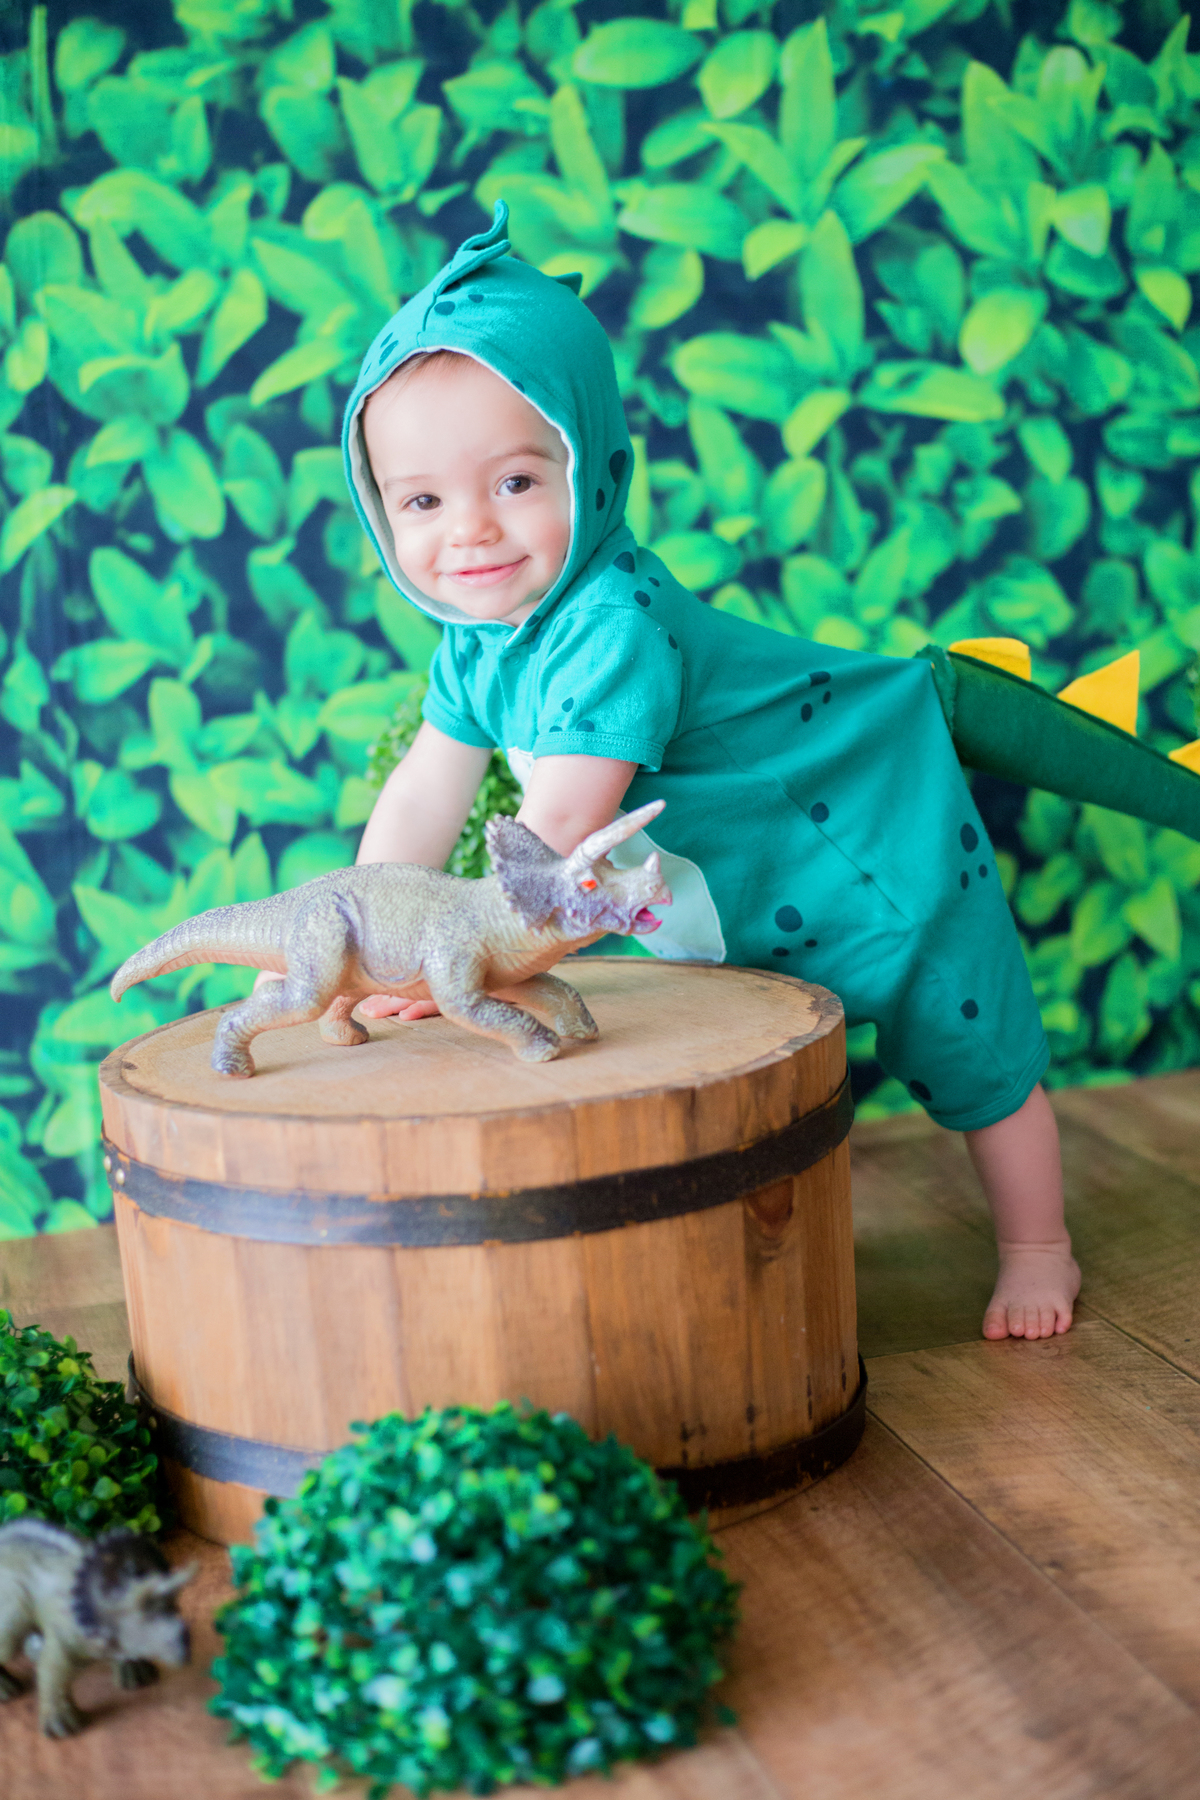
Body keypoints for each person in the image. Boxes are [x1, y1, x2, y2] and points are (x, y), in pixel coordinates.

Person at [330, 204, 1082, 1341]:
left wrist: (453, 951)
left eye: (517, 482)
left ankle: (1040, 1247)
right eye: (423, 501)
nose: (469, 530)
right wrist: (370, 923)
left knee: (971, 1042)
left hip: (858, 842)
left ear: (594, 465)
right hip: (734, 884)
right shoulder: (477, 639)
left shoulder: (612, 624)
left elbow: (563, 821)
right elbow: (427, 787)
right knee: (735, 1069)